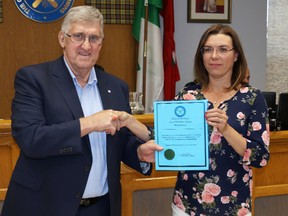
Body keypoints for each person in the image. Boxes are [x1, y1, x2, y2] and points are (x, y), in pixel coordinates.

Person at [1, 6, 163, 216]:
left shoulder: (116, 87)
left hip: (101, 207)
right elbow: (31, 138)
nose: (86, 45)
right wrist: (90, 123)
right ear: (62, 39)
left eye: (94, 38)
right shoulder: (34, 79)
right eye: (78, 36)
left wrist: (138, 153)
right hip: (44, 206)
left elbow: (119, 142)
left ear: (101, 44)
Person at [171, 24, 270, 216]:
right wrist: (130, 122)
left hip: (234, 207)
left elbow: (261, 158)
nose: (214, 56)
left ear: (235, 56)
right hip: (186, 205)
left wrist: (226, 129)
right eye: (207, 50)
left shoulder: (252, 99)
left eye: (222, 49)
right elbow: (165, 139)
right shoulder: (187, 96)